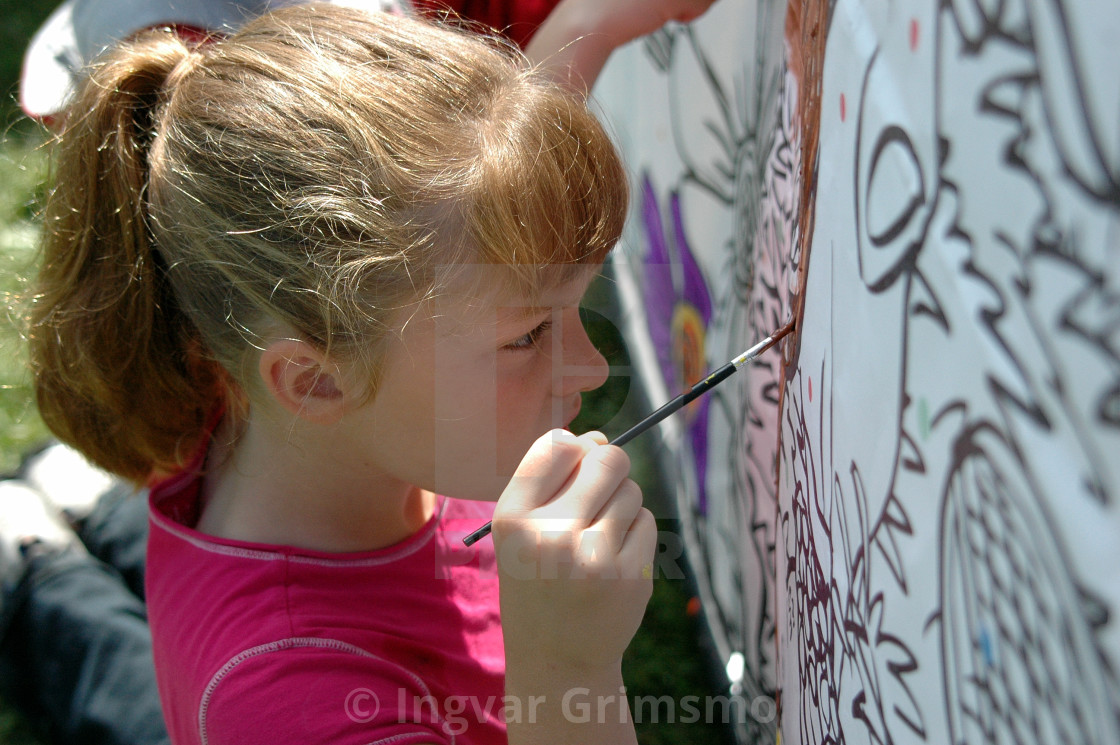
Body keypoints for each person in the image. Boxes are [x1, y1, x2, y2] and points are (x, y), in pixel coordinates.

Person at [4, 1, 720, 743]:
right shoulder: (287, 704)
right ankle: (34, 568)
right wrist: (567, 668)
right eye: (531, 333)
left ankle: (80, 507)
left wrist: (588, 26)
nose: (592, 366)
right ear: (315, 380)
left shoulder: (266, 367)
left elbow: (481, 227)